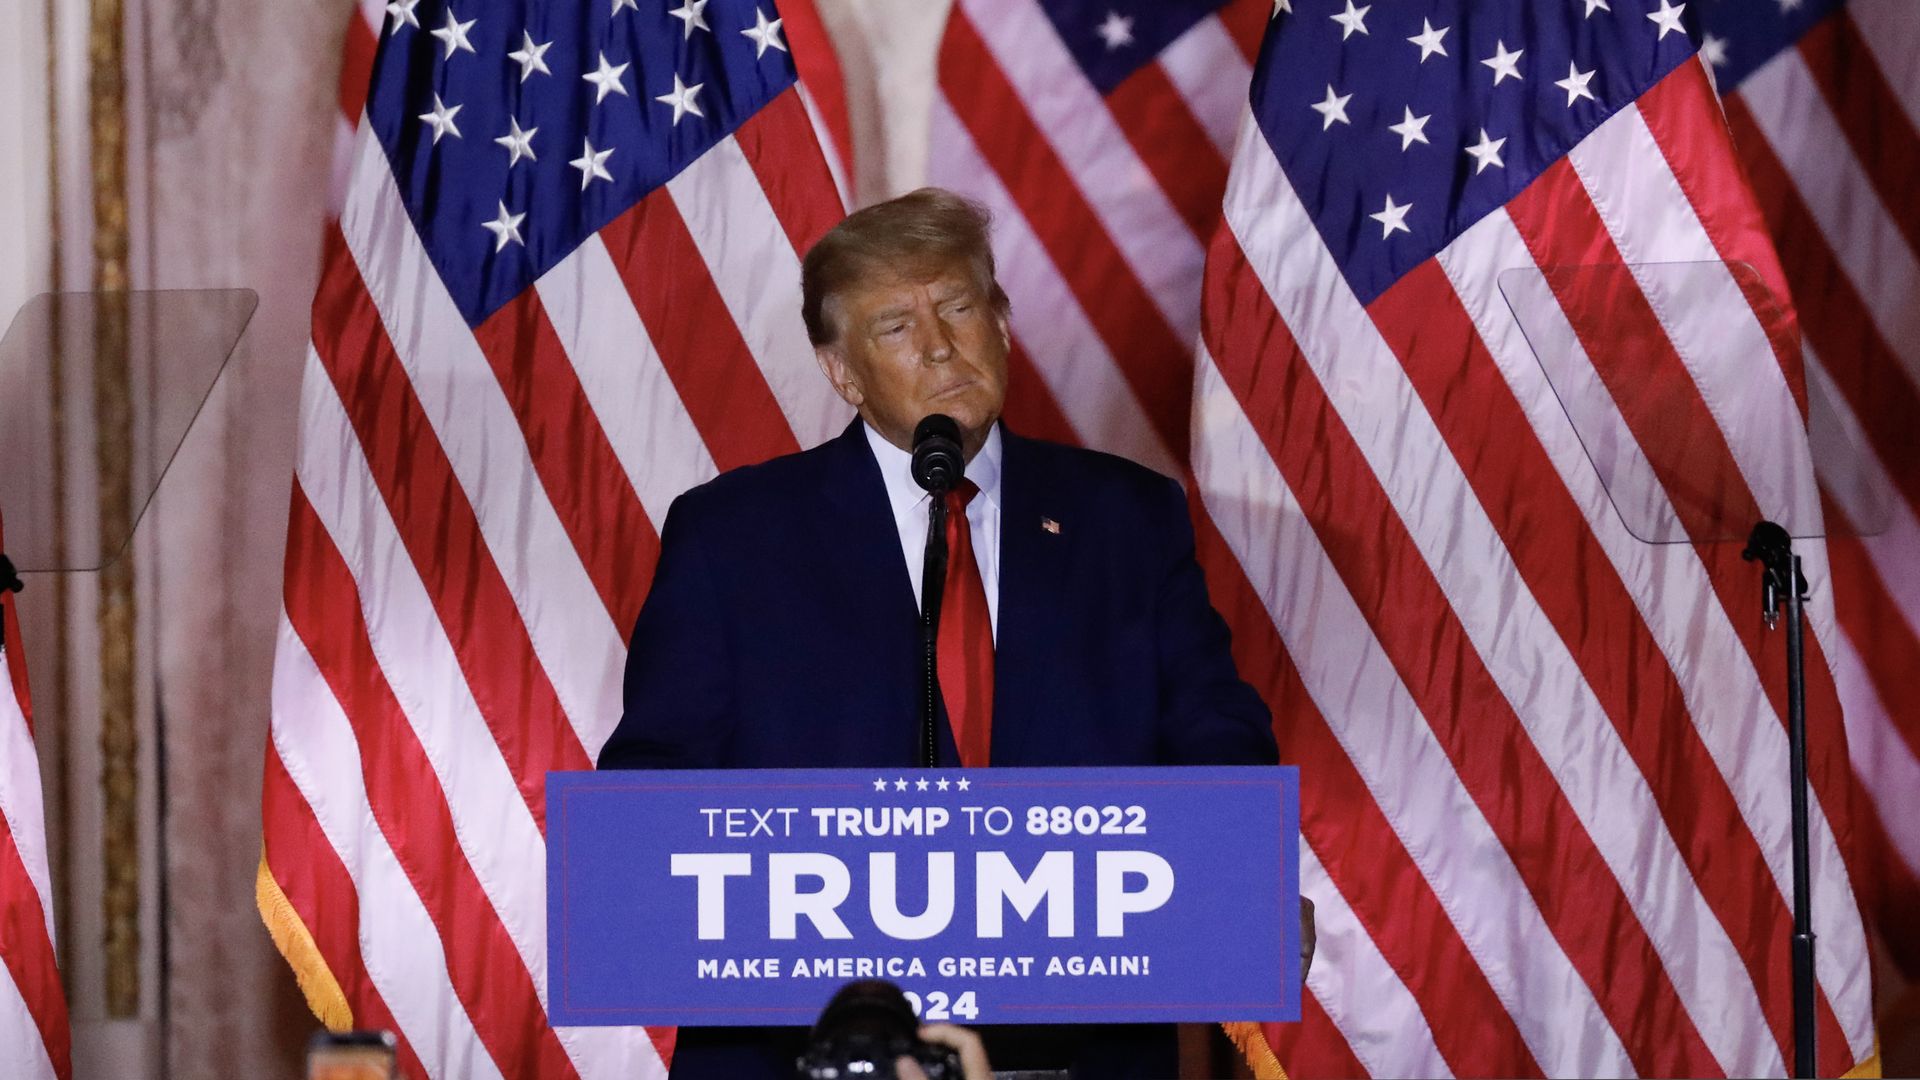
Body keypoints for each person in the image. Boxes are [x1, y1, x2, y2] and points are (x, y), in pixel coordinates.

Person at [598, 188, 1287, 1078]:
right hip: (805, 1045)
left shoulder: (1126, 517)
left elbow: (1217, 736)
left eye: (960, 307)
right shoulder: (733, 536)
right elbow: (654, 786)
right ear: (842, 372)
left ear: (1000, 325)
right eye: (894, 327)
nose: (938, 346)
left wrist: (1237, 883)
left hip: (1083, 1045)